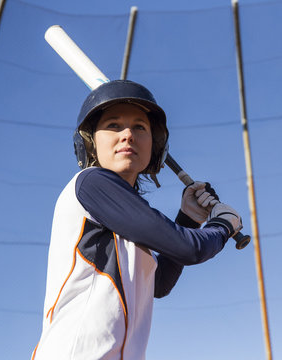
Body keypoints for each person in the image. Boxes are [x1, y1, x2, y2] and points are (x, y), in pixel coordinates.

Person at [32, 80, 242, 360]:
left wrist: (189, 218)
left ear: (155, 145)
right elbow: (189, 248)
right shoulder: (91, 183)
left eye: (139, 127)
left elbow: (159, 284)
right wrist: (224, 226)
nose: (128, 135)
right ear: (90, 142)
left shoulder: (123, 217)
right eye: (113, 125)